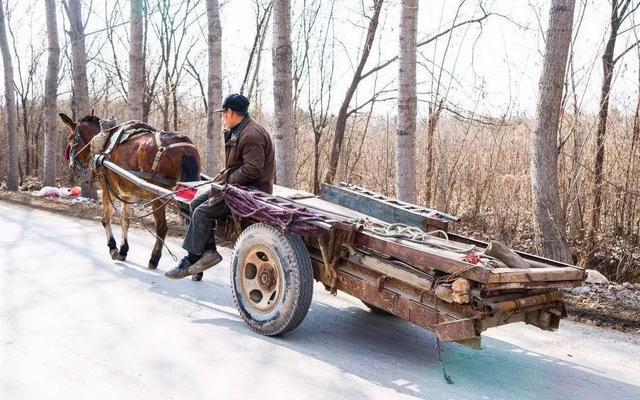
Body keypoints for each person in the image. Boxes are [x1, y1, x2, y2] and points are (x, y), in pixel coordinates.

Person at [165, 93, 275, 279]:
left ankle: (191, 259)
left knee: (202, 212)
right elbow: (239, 164)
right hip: (239, 185)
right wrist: (223, 177)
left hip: (250, 191)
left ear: (231, 112)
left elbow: (253, 169)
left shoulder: (251, 134)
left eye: (224, 113)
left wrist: (227, 182)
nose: (223, 117)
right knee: (194, 203)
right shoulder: (241, 129)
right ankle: (208, 252)